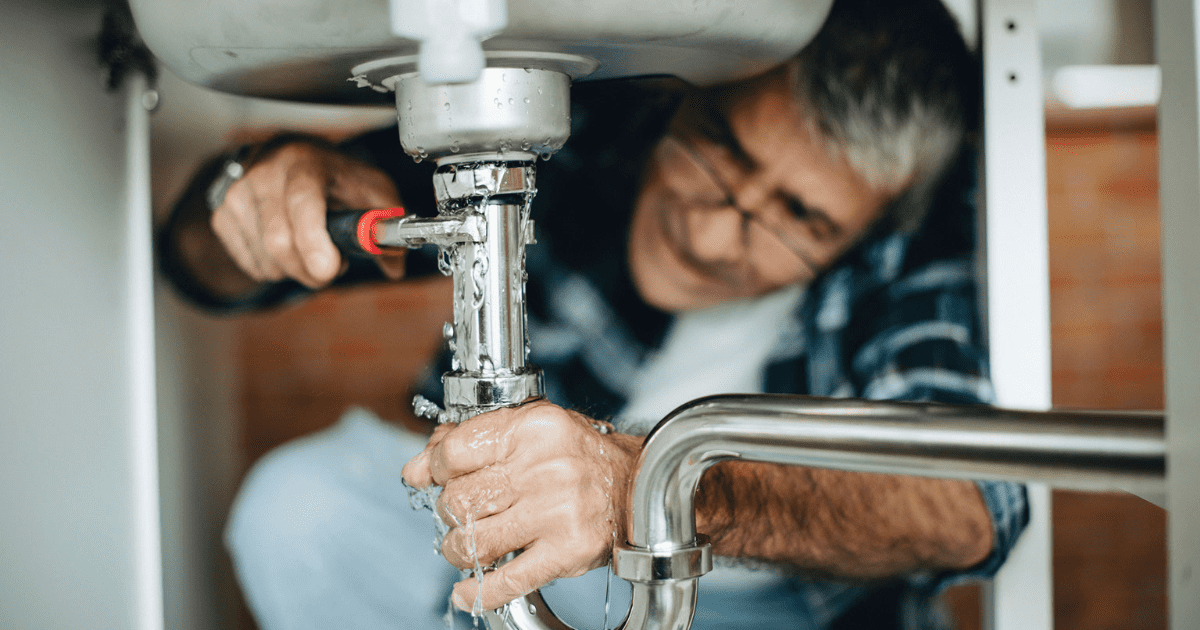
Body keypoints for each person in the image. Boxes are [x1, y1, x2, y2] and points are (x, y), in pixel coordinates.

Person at [158, 0, 1028, 628]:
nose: (716, 231)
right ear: (687, 98)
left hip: (761, 596)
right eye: (721, 149)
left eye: (799, 219)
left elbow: (968, 505)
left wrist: (647, 489)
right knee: (298, 512)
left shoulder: (915, 239)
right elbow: (203, 268)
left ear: (867, 228)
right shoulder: (591, 126)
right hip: (512, 553)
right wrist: (256, 192)